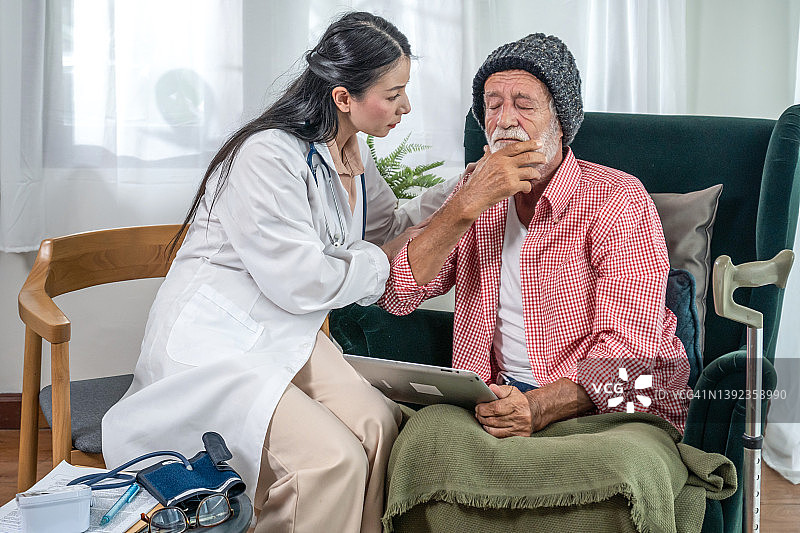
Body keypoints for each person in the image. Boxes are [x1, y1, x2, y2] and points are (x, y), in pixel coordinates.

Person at [102, 12, 454, 533]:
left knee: (380, 426)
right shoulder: (267, 155)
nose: (406, 106)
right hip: (219, 345)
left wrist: (458, 193)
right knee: (331, 462)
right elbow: (302, 282)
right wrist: (380, 262)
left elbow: (385, 228)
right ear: (342, 97)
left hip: (287, 333)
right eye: (394, 92)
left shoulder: (350, 152)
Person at [379, 33, 691, 437]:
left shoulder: (617, 199)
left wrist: (538, 407)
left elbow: (628, 350)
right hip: (497, 396)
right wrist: (464, 206)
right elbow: (398, 293)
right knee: (421, 444)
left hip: (609, 399)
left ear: (561, 122)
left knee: (618, 464)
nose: (504, 120)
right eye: (493, 105)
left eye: (523, 105)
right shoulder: (474, 193)